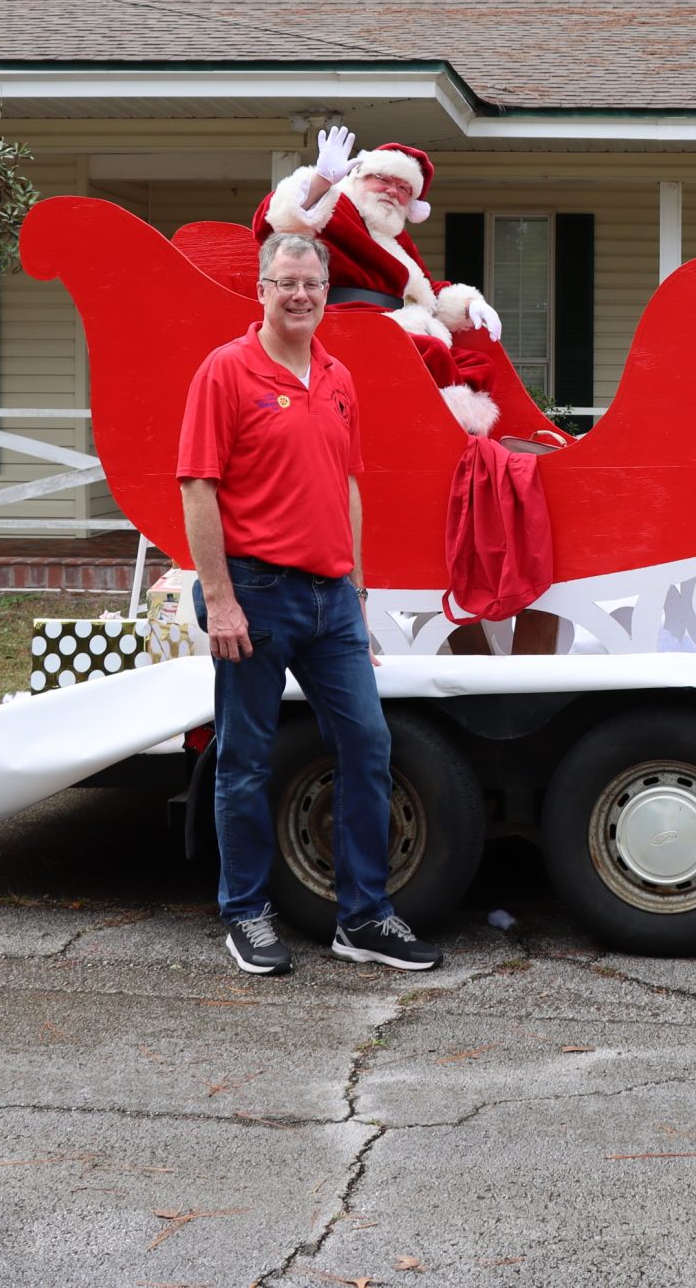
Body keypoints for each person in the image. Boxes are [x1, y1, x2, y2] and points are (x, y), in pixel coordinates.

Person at [177, 232, 444, 978]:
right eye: (285, 282)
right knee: (246, 759)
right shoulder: (225, 370)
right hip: (256, 594)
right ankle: (247, 914)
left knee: (368, 745)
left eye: (312, 283)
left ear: (328, 291)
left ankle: (362, 917)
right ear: (262, 288)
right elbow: (197, 484)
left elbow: (348, 484)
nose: (300, 295)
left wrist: (357, 593)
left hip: (332, 602)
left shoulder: (337, 375)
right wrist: (221, 598)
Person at [256, 124, 503, 435]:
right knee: (433, 352)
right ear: (358, 179)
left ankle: (454, 433)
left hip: (396, 326)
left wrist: (469, 305)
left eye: (403, 188)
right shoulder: (336, 206)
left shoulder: (397, 241)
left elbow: (423, 290)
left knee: (478, 364)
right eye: (382, 179)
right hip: (349, 325)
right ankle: (437, 432)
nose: (391, 191)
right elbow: (272, 223)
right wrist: (319, 182)